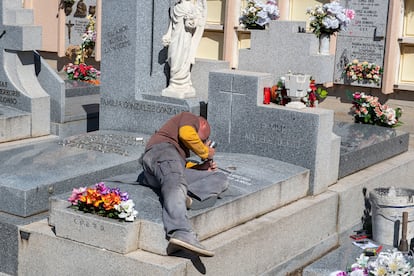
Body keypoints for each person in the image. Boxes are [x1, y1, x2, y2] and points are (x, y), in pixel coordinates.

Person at [140, 112, 228, 257]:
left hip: (169, 167)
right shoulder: (189, 118)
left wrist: (200, 168)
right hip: (162, 154)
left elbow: (180, 166)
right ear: (203, 125)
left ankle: (188, 197)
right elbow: (187, 134)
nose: (204, 142)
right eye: (204, 139)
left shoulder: (179, 151)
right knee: (175, 182)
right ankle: (180, 231)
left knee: (219, 177)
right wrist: (206, 152)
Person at [161, 0, 207, 99]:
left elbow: (194, 25)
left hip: (185, 38)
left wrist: (190, 22)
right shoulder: (176, 7)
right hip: (175, 38)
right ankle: (173, 84)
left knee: (182, 60)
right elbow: (172, 24)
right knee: (172, 58)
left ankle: (182, 85)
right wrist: (168, 35)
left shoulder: (191, 7)